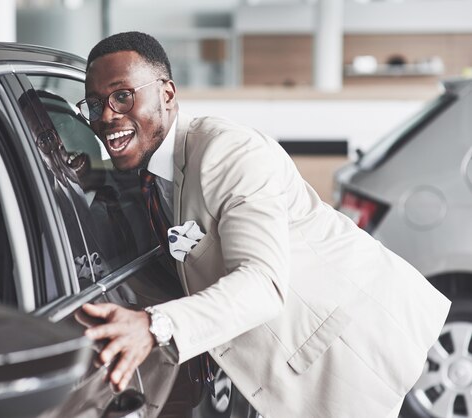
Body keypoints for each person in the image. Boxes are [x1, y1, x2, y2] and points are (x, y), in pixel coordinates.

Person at [77, 31, 451, 418]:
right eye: (94, 103)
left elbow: (262, 284)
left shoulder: (228, 152)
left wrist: (153, 327)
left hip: (346, 349)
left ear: (167, 94)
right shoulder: (150, 173)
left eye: (122, 96)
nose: (106, 115)